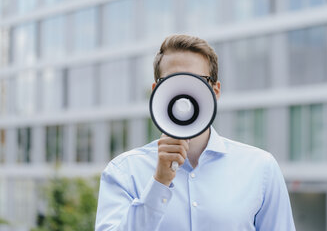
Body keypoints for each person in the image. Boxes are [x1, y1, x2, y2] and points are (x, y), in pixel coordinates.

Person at [95, 34, 296, 231]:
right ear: (156, 90)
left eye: (195, 80)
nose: (184, 89)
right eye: (172, 80)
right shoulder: (124, 172)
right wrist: (159, 182)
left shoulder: (260, 168)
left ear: (215, 91)